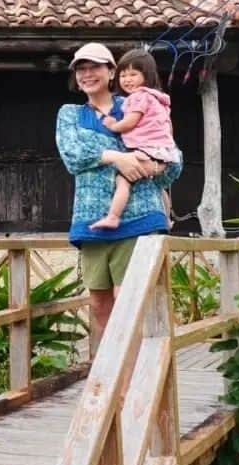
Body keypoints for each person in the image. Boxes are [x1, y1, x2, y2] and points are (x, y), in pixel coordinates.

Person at [55, 42, 181, 350]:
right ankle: (106, 383)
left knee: (130, 304)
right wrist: (117, 157)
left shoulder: (140, 102)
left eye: (94, 67)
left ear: (111, 71)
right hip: (92, 218)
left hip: (139, 217)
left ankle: (131, 389)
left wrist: (149, 164)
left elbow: (172, 160)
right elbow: (72, 156)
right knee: (99, 305)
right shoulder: (71, 114)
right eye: (81, 69)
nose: (87, 74)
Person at [89, 48, 177, 231]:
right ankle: (167, 219)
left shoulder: (139, 97)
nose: (127, 80)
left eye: (133, 74)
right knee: (158, 186)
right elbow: (168, 128)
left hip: (147, 149)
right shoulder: (157, 98)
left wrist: (114, 125)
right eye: (123, 75)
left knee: (123, 180)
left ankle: (113, 216)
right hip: (162, 150)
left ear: (147, 76)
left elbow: (130, 122)